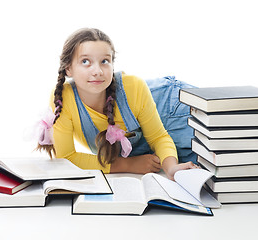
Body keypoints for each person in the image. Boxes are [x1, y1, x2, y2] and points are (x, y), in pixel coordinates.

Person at [36, 28, 198, 180]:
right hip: (146, 150)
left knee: (214, 155)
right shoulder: (63, 98)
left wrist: (170, 167)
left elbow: (158, 136)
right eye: (85, 61)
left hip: (176, 109)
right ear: (68, 69)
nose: (97, 71)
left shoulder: (134, 86)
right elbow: (67, 157)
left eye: (105, 61)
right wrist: (128, 164)